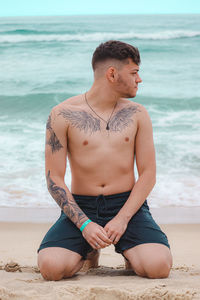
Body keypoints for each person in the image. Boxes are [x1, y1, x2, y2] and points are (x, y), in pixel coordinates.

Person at [37, 40, 172, 281]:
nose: (139, 79)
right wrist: (84, 224)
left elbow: (148, 174)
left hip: (127, 205)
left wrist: (122, 219)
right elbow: (54, 178)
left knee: (158, 267)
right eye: (134, 73)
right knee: (51, 268)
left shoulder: (138, 114)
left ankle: (129, 251)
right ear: (112, 74)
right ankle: (88, 250)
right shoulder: (62, 114)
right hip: (82, 206)